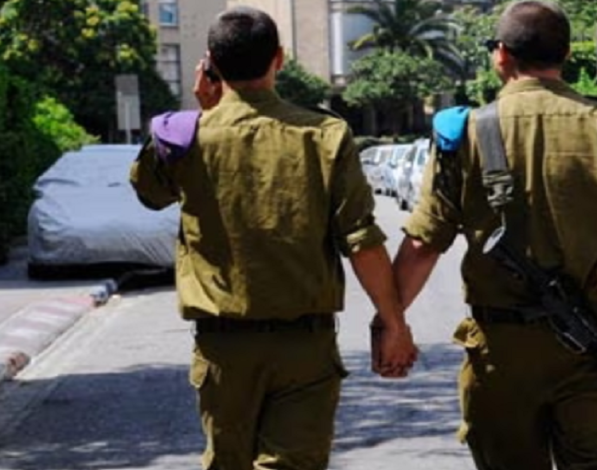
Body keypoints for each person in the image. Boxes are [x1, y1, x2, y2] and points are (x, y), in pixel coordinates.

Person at [391, 1, 597, 469]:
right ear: (567, 55)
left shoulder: (468, 133)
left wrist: (390, 323)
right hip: (595, 348)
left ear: (501, 55)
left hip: (501, 353)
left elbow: (424, 243)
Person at [130, 6, 417, 470]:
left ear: (210, 66)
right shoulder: (325, 134)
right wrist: (394, 323)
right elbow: (360, 240)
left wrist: (204, 113)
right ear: (279, 59)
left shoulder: (186, 140)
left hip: (223, 348)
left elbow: (149, 193)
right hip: (305, 347)